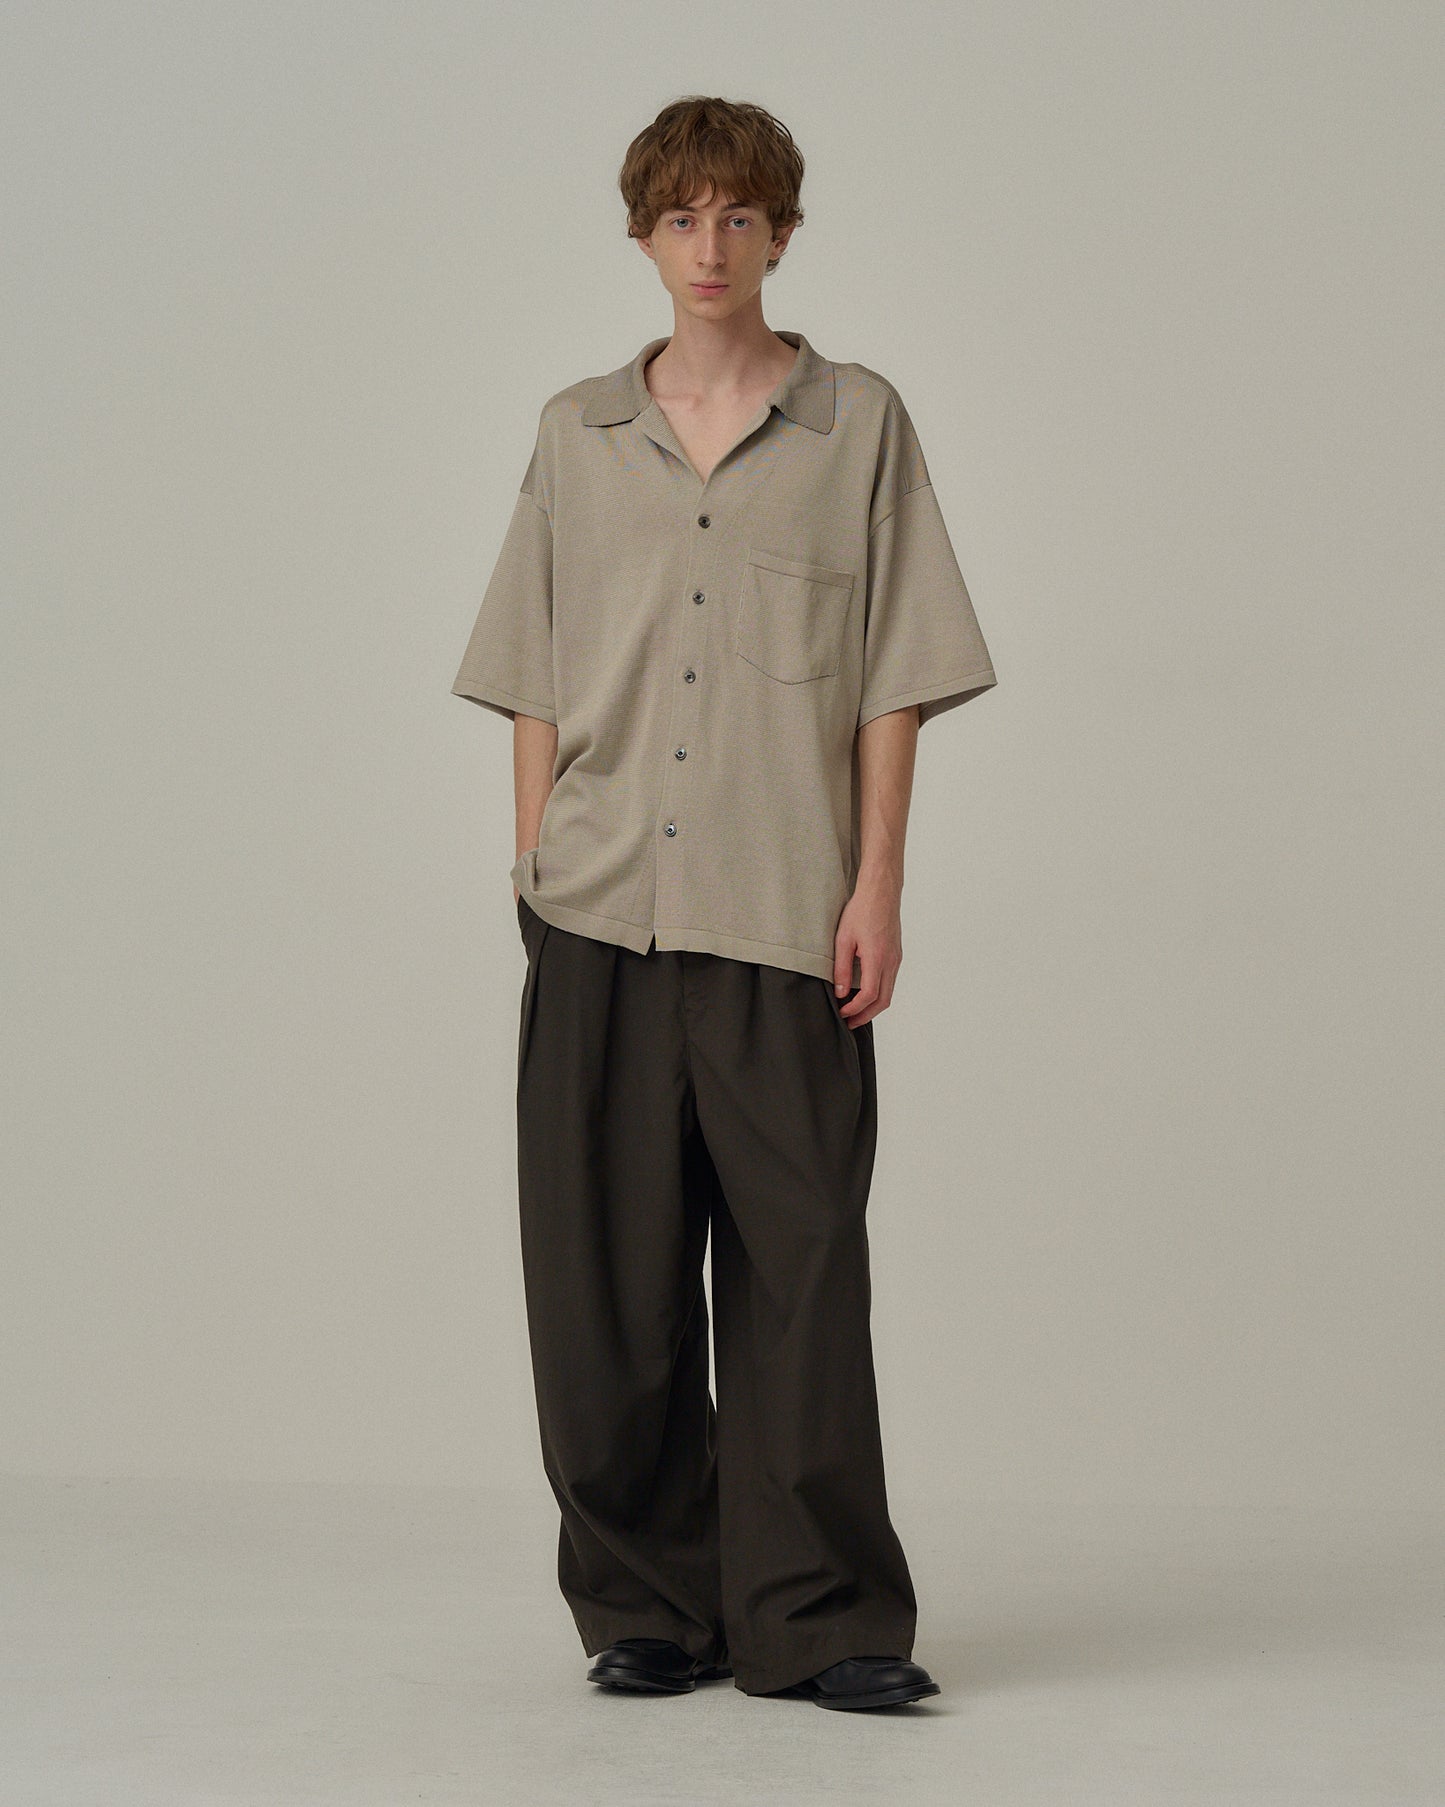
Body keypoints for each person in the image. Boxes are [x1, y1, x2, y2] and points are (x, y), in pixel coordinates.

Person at [450, 95, 997, 1710]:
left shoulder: (857, 425)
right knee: (603, 1287)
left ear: (780, 233)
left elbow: (893, 676)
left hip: (781, 912)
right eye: (682, 218)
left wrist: (877, 884)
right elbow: (532, 668)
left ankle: (818, 1621)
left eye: (739, 217)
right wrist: (537, 865)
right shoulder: (575, 433)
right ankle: (645, 1608)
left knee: (803, 1277)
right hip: (600, 911)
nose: (710, 246)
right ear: (642, 236)